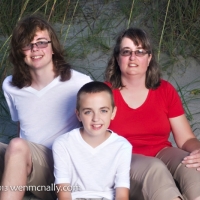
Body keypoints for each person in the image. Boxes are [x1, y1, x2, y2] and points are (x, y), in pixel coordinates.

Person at [0, 14, 91, 200]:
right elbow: (22, 127)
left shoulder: (80, 83)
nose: (35, 49)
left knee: (17, 146)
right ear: (20, 51)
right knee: (17, 145)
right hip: (26, 160)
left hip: (61, 169)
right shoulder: (10, 86)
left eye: (41, 42)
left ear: (53, 47)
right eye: (27, 44)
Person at [104, 27, 200, 200]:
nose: (133, 57)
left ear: (149, 58)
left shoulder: (165, 89)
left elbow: (185, 139)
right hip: (123, 158)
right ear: (117, 58)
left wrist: (198, 152)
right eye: (126, 52)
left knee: (191, 163)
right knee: (154, 168)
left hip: (162, 152)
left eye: (140, 51)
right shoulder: (104, 93)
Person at [52, 81, 132, 200]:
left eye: (103, 111)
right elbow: (63, 193)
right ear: (78, 115)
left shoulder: (123, 146)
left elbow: (122, 194)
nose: (96, 118)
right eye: (88, 112)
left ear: (113, 112)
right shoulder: (62, 144)